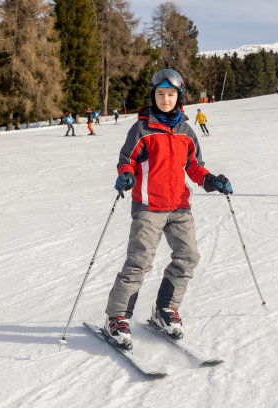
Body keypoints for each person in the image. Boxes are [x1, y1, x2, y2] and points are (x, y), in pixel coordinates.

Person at [103, 69, 232, 349]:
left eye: (170, 94)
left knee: (188, 257)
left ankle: (165, 309)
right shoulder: (142, 129)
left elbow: (194, 166)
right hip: (149, 207)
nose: (165, 99)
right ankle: (116, 317)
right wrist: (126, 174)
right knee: (139, 262)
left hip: (180, 207)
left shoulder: (186, 131)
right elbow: (128, 160)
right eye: (160, 94)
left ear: (178, 97)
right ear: (153, 95)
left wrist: (211, 180)